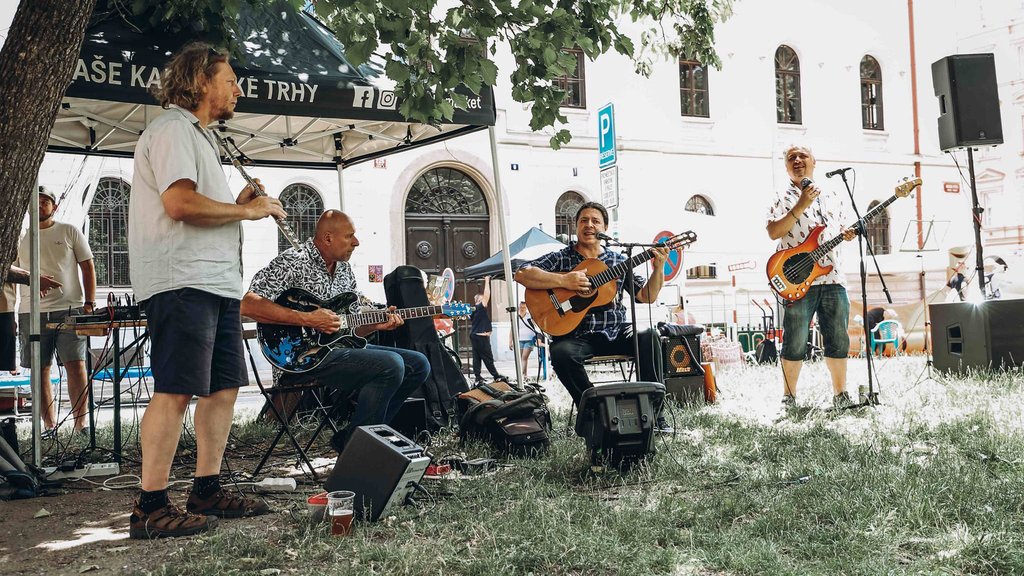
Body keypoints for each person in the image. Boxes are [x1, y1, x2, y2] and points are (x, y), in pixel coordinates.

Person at [127, 42, 285, 539]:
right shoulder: (174, 129)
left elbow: (200, 205)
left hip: (213, 282)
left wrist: (235, 201)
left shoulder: (199, 137)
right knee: (176, 389)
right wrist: (248, 211)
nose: (238, 89)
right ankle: (150, 506)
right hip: (182, 281)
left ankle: (206, 489)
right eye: (230, 80)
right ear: (200, 81)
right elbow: (179, 204)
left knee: (222, 388)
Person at [241, 210, 430, 452]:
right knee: (391, 364)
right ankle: (360, 449)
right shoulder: (292, 262)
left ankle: (355, 438)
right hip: (299, 358)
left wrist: (375, 324)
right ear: (328, 238)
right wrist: (308, 319)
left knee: (418, 364)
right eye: (349, 236)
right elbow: (248, 304)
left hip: (338, 351)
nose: (356, 242)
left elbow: (349, 330)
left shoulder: (344, 270)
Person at [514, 201, 672, 430]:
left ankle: (654, 415)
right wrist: (564, 280)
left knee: (649, 334)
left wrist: (659, 268)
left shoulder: (618, 261)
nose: (589, 225)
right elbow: (522, 273)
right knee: (560, 352)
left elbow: (646, 296)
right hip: (577, 336)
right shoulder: (562, 258)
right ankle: (595, 412)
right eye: (584, 220)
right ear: (576, 226)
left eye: (595, 221)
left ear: (605, 228)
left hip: (616, 331)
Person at [766, 144, 858, 409]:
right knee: (794, 340)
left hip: (833, 278)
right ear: (786, 166)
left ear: (814, 162)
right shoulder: (780, 196)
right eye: (791, 157)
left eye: (802, 156)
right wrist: (801, 203)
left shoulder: (833, 194)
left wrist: (848, 233)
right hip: (796, 280)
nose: (797, 160)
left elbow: (841, 228)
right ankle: (789, 397)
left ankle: (841, 394)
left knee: (838, 338)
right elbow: (773, 232)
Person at [15, 186, 96, 435]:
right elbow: (11, 273)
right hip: (31, 311)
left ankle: (81, 424)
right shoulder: (19, 237)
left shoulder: (69, 230)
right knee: (40, 369)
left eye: (45, 201)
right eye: (35, 201)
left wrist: (89, 303)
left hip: (70, 309)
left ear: (54, 206)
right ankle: (49, 426)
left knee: (76, 365)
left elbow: (88, 266)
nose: (40, 205)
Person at [2, 265, 61, 374]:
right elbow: (3, 268)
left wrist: (33, 277)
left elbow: (7, 266)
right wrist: (32, 279)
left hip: (5, 307)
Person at [469, 276, 505, 385]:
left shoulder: (473, 310)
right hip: (481, 336)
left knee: (477, 356)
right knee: (488, 357)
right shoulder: (479, 307)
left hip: (475, 335)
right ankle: (496, 376)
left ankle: (478, 376)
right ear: (479, 301)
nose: (486, 303)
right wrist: (487, 281)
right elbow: (487, 295)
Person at [509, 301, 546, 381]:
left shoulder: (530, 316)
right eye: (521, 307)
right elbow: (512, 330)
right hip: (519, 340)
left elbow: (537, 327)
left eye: (524, 307)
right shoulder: (516, 317)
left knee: (524, 357)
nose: (522, 309)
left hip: (529, 340)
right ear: (518, 308)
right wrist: (510, 341)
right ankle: (524, 376)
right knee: (520, 358)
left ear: (526, 308)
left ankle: (521, 376)